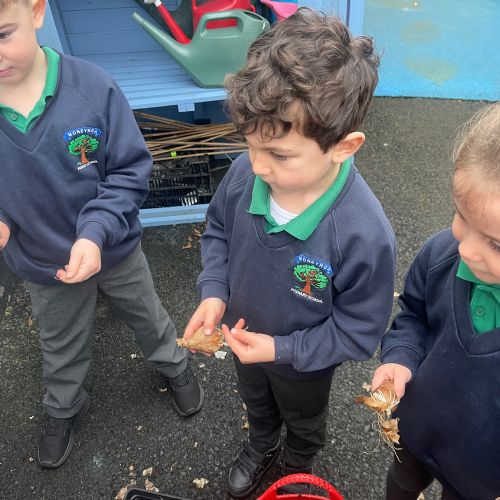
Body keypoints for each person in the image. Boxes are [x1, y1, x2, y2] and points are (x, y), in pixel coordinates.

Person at [183, 8, 396, 498]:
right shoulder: (246, 174)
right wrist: (214, 292)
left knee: (303, 416)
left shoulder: (364, 234)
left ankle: (297, 460)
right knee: (256, 401)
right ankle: (261, 442)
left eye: (279, 154)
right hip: (241, 337)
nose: (257, 166)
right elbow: (217, 231)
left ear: (344, 146)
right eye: (249, 145)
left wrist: (283, 350)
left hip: (305, 364)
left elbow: (358, 331)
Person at [0, 0, 203, 469]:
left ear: (36, 12)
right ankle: (62, 406)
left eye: (3, 35)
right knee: (59, 342)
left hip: (113, 249)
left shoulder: (92, 87)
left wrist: (94, 234)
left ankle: (174, 364)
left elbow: (130, 171)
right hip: (43, 263)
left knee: (146, 314)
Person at [370, 102, 500, 500]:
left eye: (496, 244)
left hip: (482, 473)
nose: (467, 250)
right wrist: (400, 357)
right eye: (461, 216)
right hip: (416, 431)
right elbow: (414, 315)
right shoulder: (442, 256)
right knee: (401, 484)